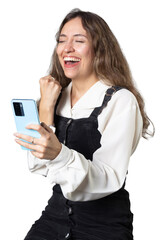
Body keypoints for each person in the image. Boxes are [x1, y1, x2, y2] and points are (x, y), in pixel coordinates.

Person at [14, 8, 154, 240]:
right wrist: (46, 108)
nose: (67, 48)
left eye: (79, 41)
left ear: (99, 49)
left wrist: (59, 154)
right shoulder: (55, 97)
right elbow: (38, 166)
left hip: (103, 225)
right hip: (55, 218)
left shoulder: (119, 100)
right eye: (62, 40)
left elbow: (110, 177)